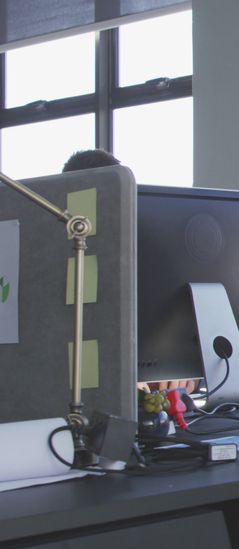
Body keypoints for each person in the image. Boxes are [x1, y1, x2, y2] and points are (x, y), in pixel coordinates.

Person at [60, 148, 196, 394]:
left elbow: (178, 327)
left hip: (153, 399)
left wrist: (188, 373)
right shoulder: (51, 259)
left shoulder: (149, 251)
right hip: (76, 396)